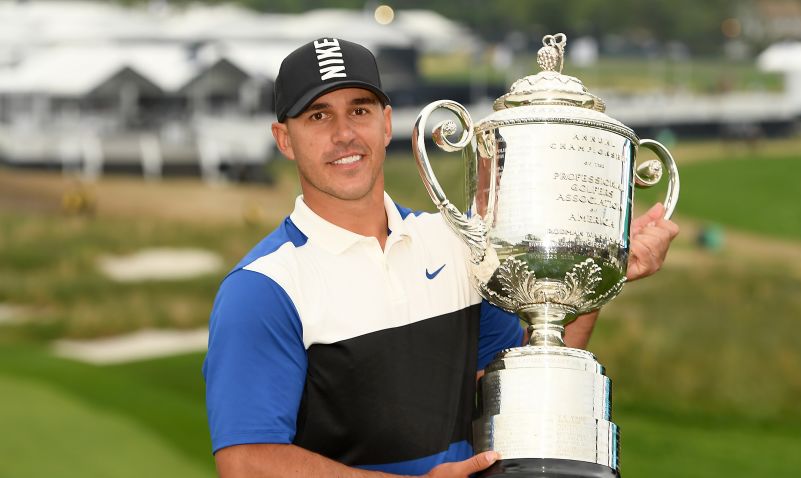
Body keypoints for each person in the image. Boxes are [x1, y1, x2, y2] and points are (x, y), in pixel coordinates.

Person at [203, 38, 679, 478]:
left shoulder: (455, 244)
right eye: (318, 116)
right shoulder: (264, 287)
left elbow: (526, 373)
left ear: (386, 122)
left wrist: (595, 270)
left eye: (360, 110)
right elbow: (247, 461)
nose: (344, 134)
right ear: (284, 139)